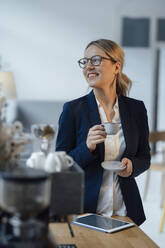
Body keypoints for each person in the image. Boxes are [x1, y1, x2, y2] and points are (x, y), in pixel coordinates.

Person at [56, 39, 151, 226]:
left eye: (96, 60)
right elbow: (61, 167)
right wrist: (87, 147)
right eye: (85, 62)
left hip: (126, 213)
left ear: (116, 67)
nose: (88, 67)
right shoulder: (73, 110)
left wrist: (132, 166)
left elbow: (145, 157)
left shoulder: (136, 109)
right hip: (85, 214)